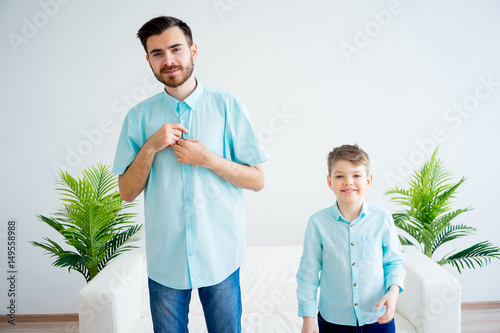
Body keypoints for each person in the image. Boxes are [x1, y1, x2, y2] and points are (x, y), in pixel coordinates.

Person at [112, 16, 268, 333]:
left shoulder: (229, 107)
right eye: (157, 53)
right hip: (165, 262)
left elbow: (257, 180)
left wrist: (209, 159)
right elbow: (126, 192)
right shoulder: (138, 118)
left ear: (193, 50)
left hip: (221, 257)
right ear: (148, 60)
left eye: (176, 49)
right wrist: (150, 147)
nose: (168, 60)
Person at [296, 144, 405, 333]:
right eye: (340, 176)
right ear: (329, 182)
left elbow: (394, 261)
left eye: (356, 175)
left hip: (377, 318)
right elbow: (308, 274)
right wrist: (308, 318)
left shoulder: (382, 219)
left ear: (368, 181)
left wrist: (393, 292)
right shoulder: (317, 223)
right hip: (333, 322)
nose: (348, 182)